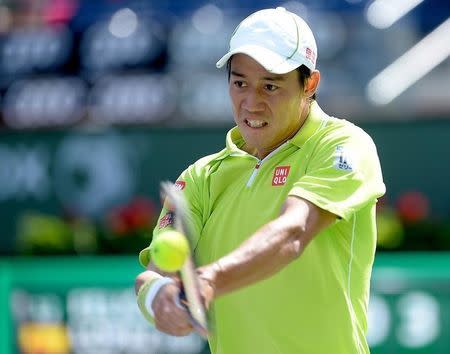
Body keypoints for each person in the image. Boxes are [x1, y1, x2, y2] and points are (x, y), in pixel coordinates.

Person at [135, 7, 385, 354]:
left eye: (270, 85)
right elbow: (157, 274)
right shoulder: (200, 177)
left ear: (309, 84)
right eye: (240, 83)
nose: (251, 104)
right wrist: (158, 297)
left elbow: (293, 231)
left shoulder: (343, 145)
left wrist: (209, 280)